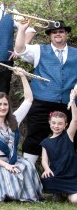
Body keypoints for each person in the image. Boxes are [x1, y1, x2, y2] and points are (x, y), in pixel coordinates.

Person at [14, 19, 77, 165]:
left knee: (72, 137)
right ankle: (28, 172)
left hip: (69, 103)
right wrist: (22, 30)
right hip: (42, 102)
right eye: (54, 32)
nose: (58, 34)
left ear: (66, 33)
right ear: (50, 35)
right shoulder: (39, 50)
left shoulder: (76, 53)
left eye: (61, 31)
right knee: (35, 136)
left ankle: (67, 173)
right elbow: (19, 50)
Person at [0, 69, 43, 202]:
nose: (2, 107)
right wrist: (6, 165)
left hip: (13, 160)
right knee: (9, 177)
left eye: (5, 104)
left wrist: (23, 76)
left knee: (27, 166)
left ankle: (27, 194)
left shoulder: (14, 119)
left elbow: (29, 99)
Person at [40, 101, 77, 204]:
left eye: (60, 123)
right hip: (57, 175)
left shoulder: (68, 135)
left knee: (75, 200)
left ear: (65, 125)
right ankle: (58, 193)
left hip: (71, 176)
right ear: (49, 123)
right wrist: (47, 169)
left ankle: (66, 194)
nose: (56, 126)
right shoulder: (45, 142)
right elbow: (44, 160)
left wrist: (72, 101)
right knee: (45, 179)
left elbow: (75, 120)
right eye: (54, 123)